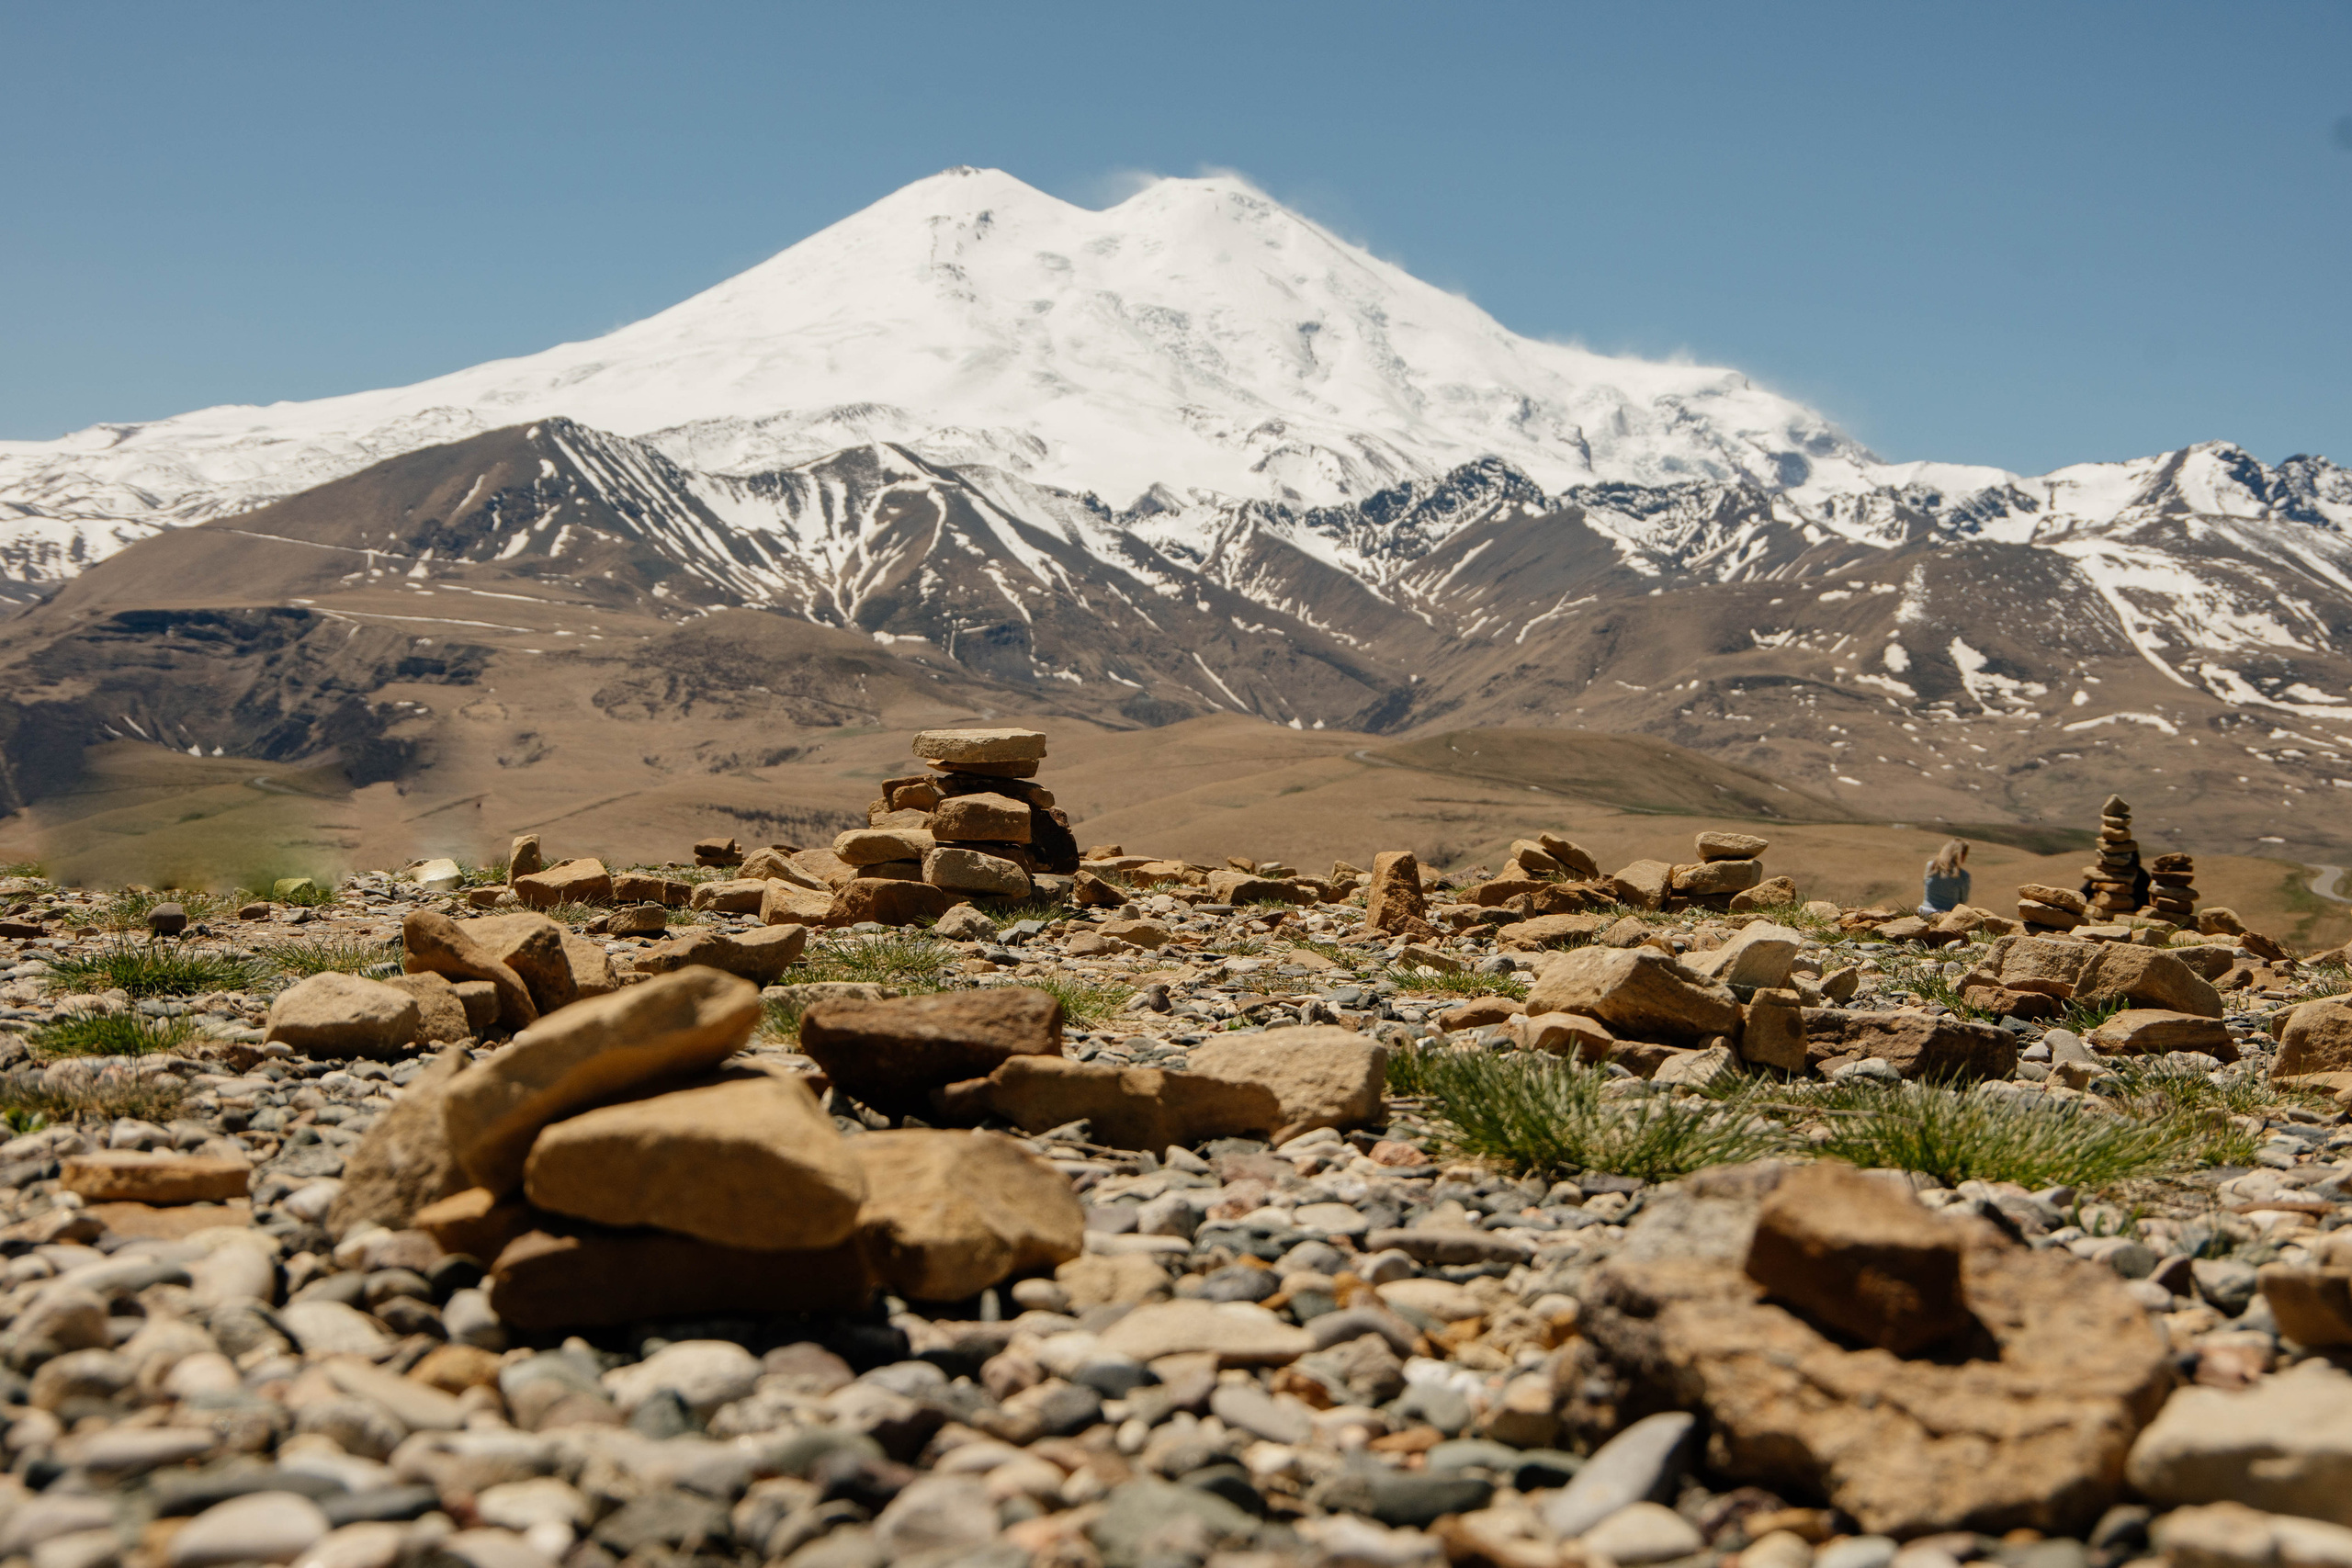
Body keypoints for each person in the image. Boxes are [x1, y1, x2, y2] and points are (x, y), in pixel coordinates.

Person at [1919, 839, 1970, 915]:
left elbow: (1925, 885)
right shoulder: (1963, 875)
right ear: (1961, 854)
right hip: (1948, 914)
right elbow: (1963, 900)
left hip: (1926, 911)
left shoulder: (1930, 866)